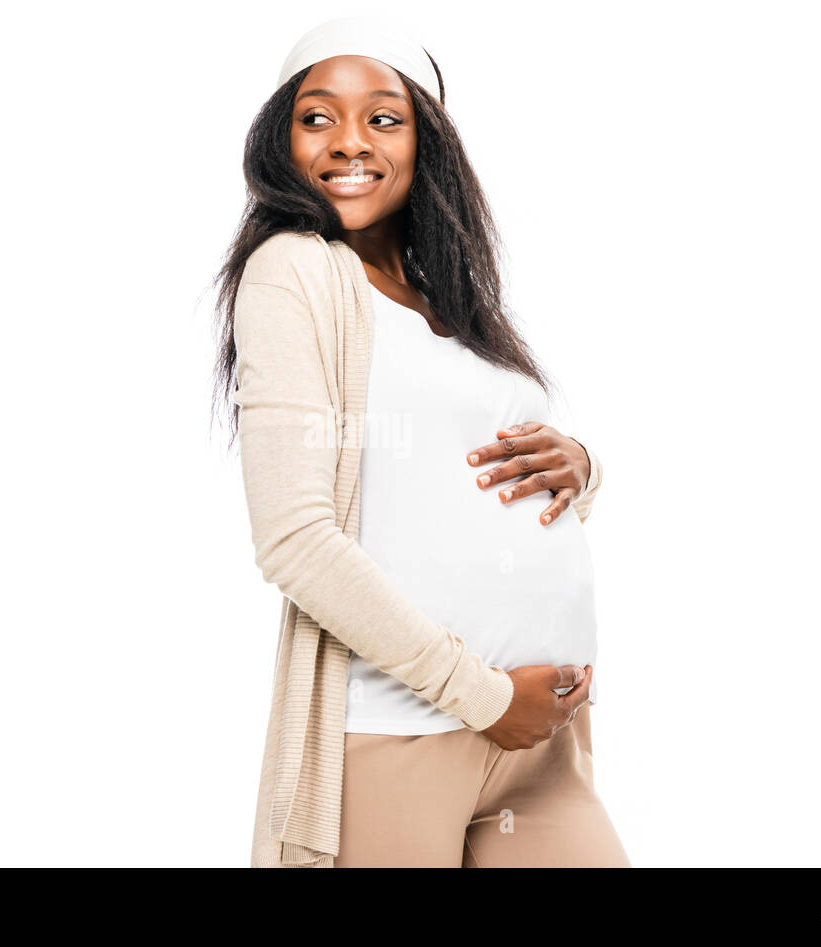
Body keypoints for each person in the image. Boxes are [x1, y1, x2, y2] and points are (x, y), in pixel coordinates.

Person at [211, 16, 630, 867]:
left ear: (426, 141)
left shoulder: (449, 296)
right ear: (280, 141)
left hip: (541, 743)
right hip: (400, 730)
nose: (347, 143)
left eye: (384, 118)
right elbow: (294, 539)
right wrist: (479, 695)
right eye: (317, 117)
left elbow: (462, 459)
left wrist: (581, 469)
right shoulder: (294, 269)